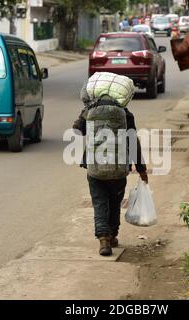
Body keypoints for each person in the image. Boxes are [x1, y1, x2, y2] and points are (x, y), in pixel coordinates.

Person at [73, 74, 148, 256]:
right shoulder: (126, 113)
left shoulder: (89, 109)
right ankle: (113, 234)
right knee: (115, 202)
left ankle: (103, 240)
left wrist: (88, 116)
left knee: (99, 203)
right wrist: (141, 169)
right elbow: (132, 140)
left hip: (95, 169)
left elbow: (77, 129)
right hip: (118, 169)